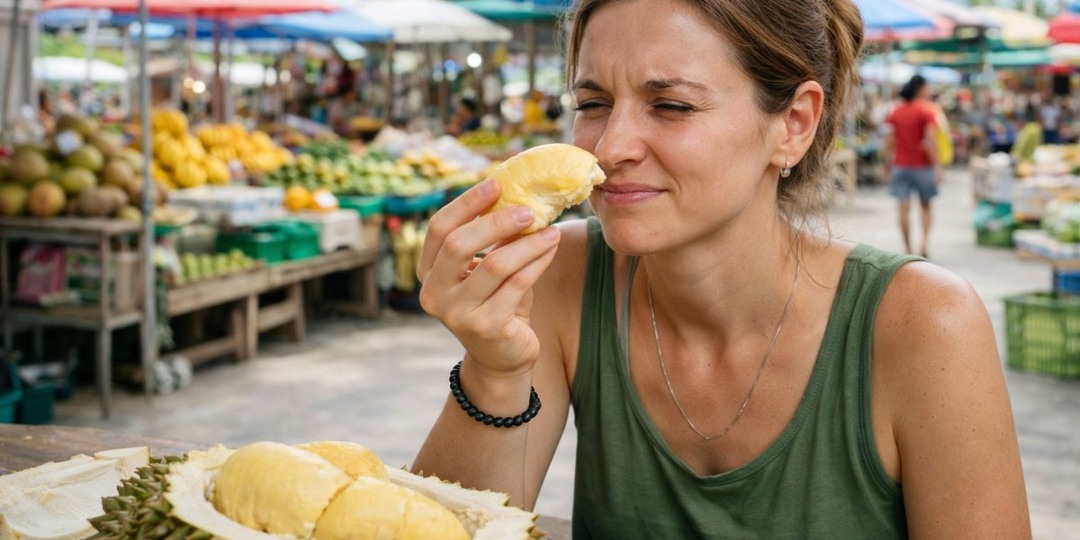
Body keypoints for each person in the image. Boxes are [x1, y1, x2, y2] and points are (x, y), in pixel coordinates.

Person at [412, 0, 1030, 537]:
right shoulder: (562, 274)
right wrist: (493, 370)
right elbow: (456, 527)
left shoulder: (922, 322)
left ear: (793, 125)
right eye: (593, 102)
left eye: (672, 105)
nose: (609, 146)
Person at [882, 74, 943, 258]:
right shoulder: (927, 111)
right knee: (925, 206)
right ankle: (923, 246)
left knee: (903, 208)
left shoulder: (896, 111)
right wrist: (938, 166)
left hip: (900, 166)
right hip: (923, 166)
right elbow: (929, 141)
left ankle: (908, 249)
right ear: (920, 88)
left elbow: (889, 141)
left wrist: (886, 163)